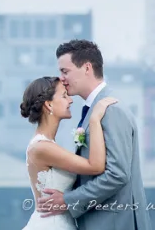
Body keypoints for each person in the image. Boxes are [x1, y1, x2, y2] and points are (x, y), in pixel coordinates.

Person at [38, 39, 151, 230]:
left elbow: (117, 174)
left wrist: (68, 200)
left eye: (65, 71)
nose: (61, 79)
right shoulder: (95, 110)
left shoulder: (110, 110)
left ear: (87, 68)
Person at [19, 76, 118, 229]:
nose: (70, 100)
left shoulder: (47, 145)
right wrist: (94, 120)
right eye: (64, 96)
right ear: (49, 105)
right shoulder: (42, 147)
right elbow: (96, 166)